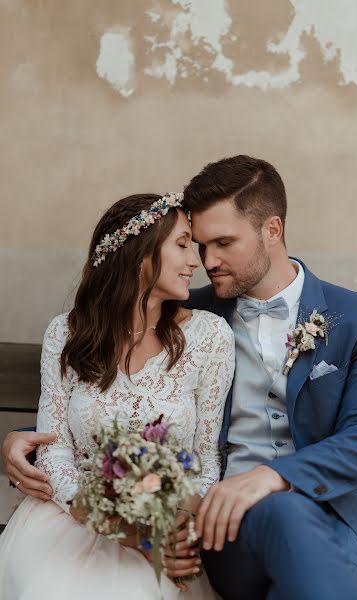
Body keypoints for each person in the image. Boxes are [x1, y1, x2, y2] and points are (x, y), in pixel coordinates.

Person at [3, 156, 357, 599]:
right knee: (287, 521)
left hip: (334, 517)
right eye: (199, 244)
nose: (206, 261)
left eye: (223, 243)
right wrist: (24, 439)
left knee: (302, 541)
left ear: (272, 230)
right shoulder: (187, 314)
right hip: (226, 527)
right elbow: (110, 393)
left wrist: (272, 476)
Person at [0, 192, 235, 600]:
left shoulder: (210, 338)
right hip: (67, 521)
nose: (195, 261)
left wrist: (165, 528)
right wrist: (109, 522)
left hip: (161, 530)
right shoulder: (66, 334)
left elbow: (206, 461)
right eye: (182, 245)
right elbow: (52, 449)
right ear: (140, 256)